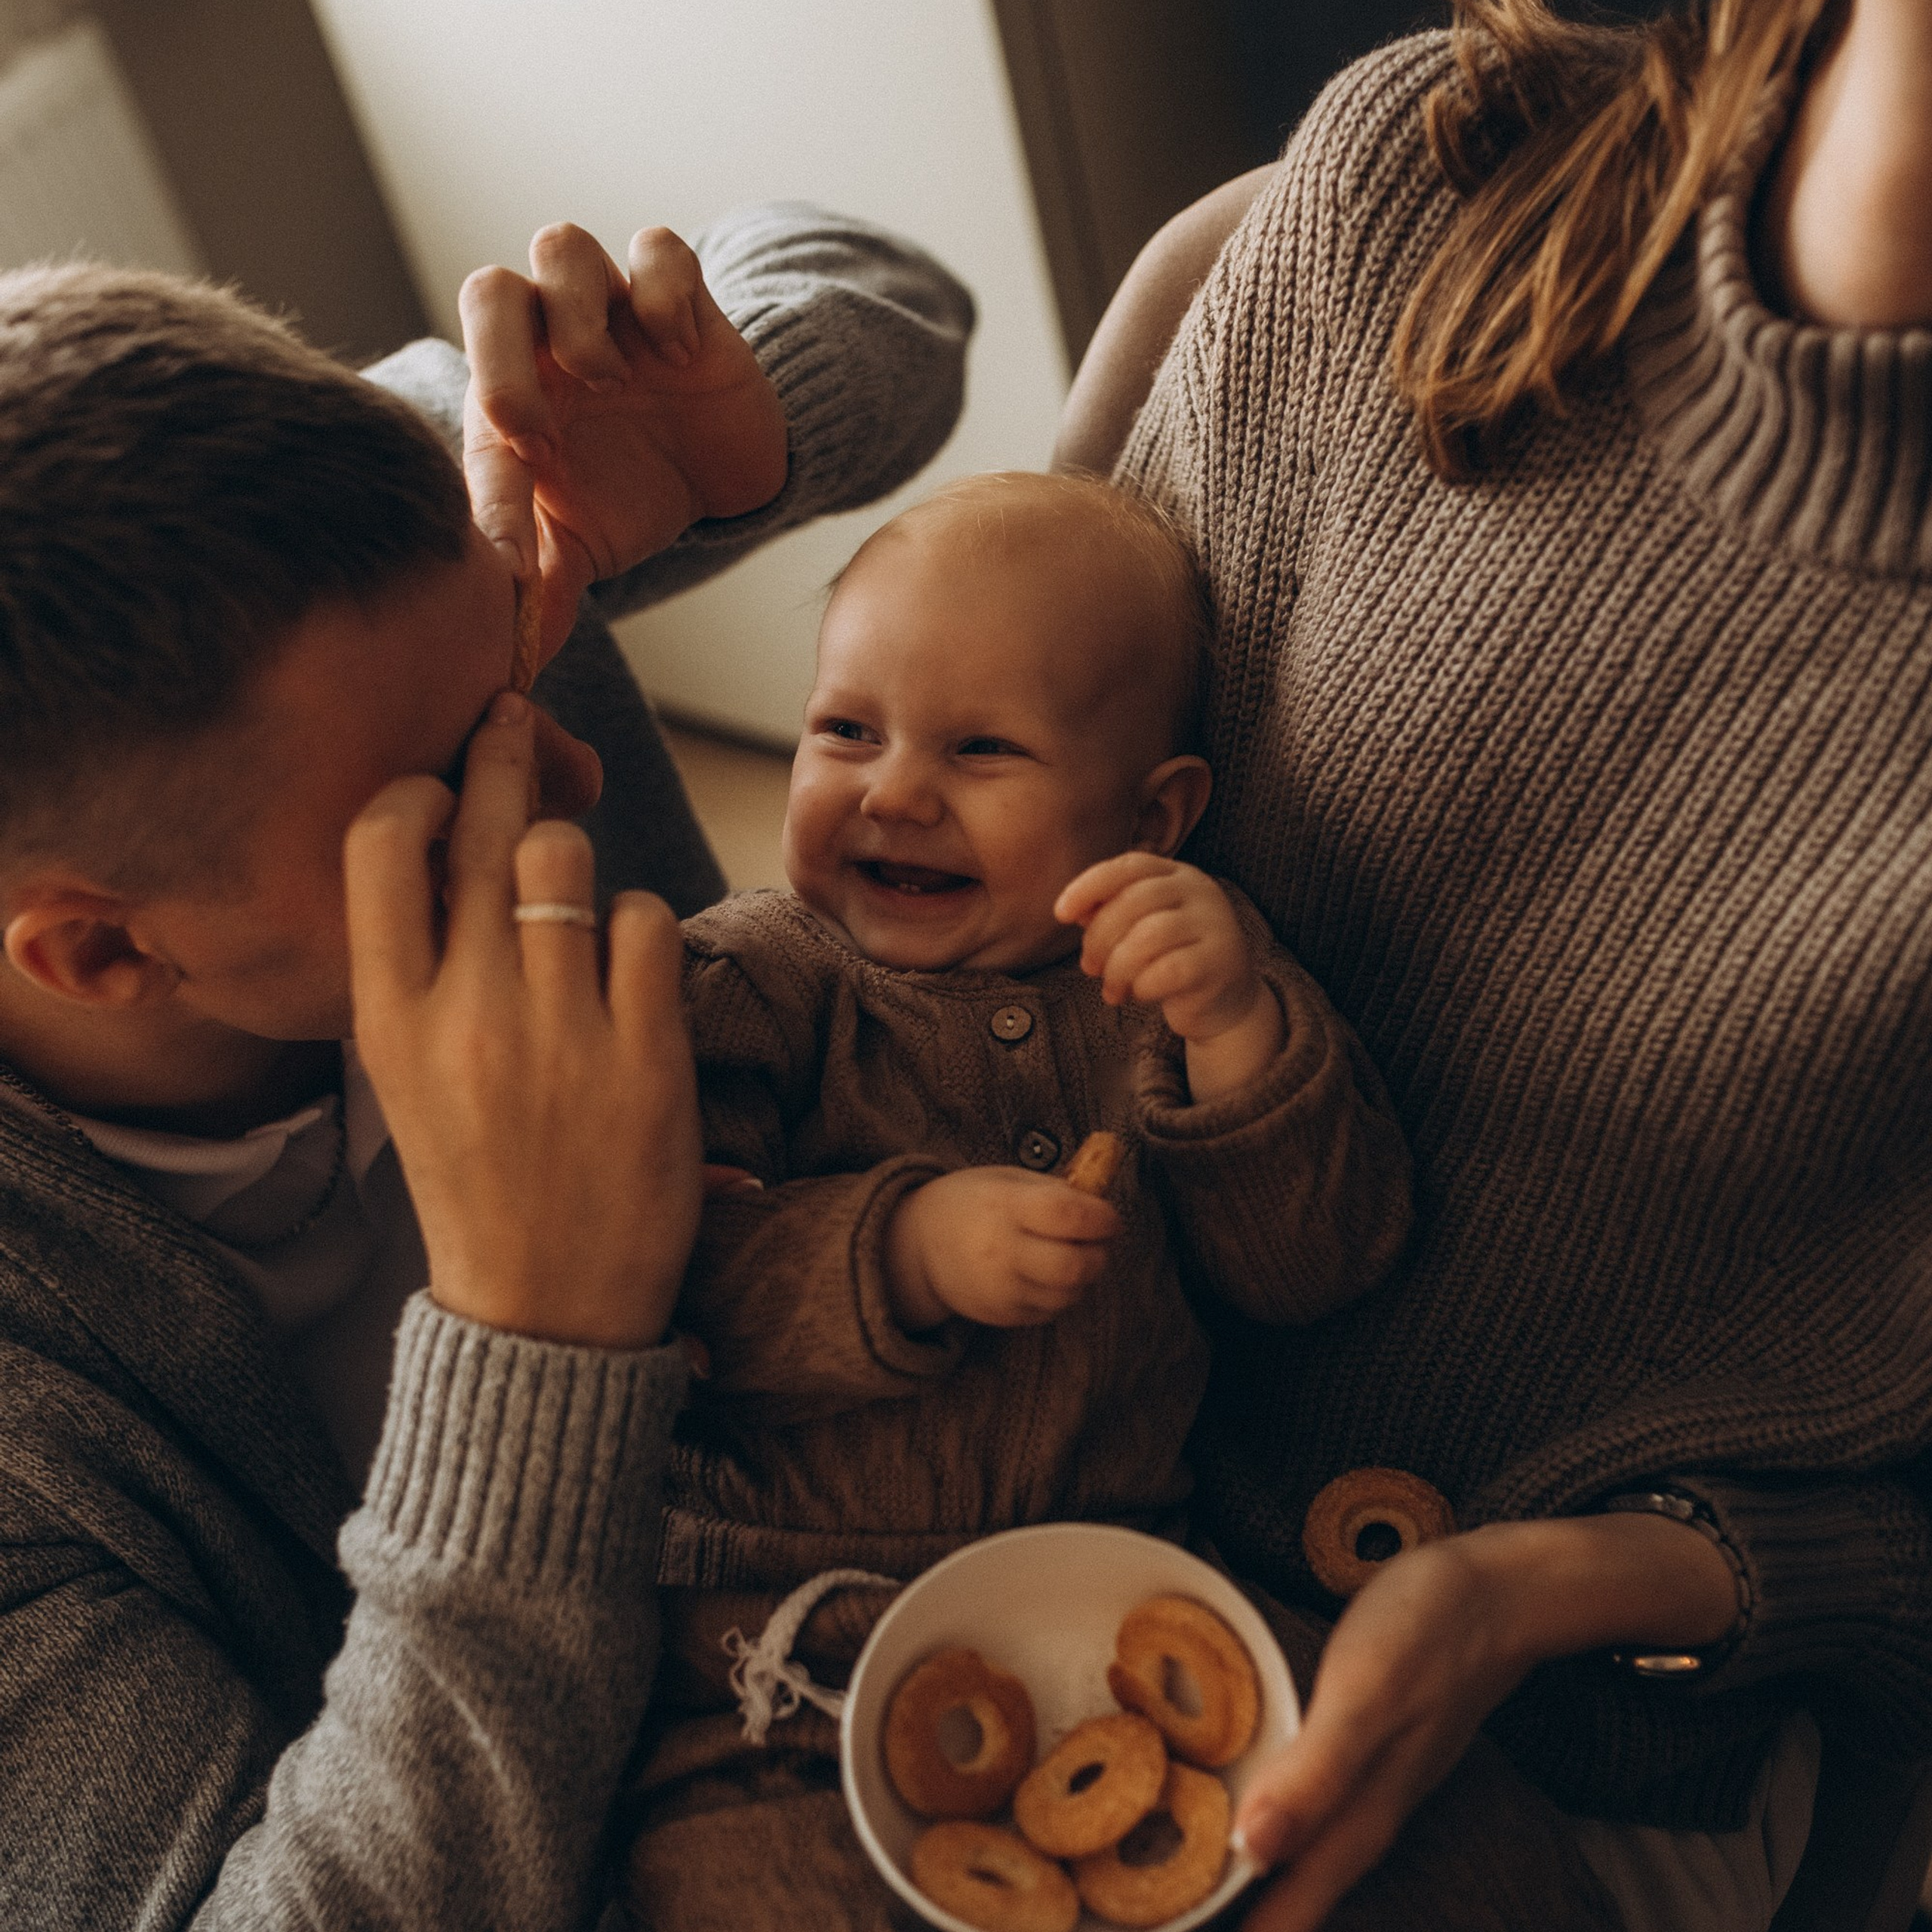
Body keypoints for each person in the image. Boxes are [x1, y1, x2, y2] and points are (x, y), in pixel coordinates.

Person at [1053, 1, 1932, 1927]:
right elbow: (984, 875)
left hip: (1580, 1727)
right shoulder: (1427, 185)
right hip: (1008, 1491)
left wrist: (1557, 1588)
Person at [0, 206, 971, 1926]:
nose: (575, 781)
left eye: (519, 661)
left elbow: (894, 289)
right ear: (101, 954)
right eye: (467, 784)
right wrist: (537, 1344)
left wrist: (735, 442)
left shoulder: (405, 540)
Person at [620, 471, 1410, 1926]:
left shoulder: (1180, 984)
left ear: (1153, 815)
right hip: (776, 1663)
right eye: (845, 730)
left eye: (981, 748)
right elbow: (657, 1293)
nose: (894, 792)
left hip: (1122, 1625)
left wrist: (1238, 1033)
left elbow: (1317, 1268)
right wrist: (902, 1252)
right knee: (750, 1892)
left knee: (1427, 1829)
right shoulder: (751, 983)